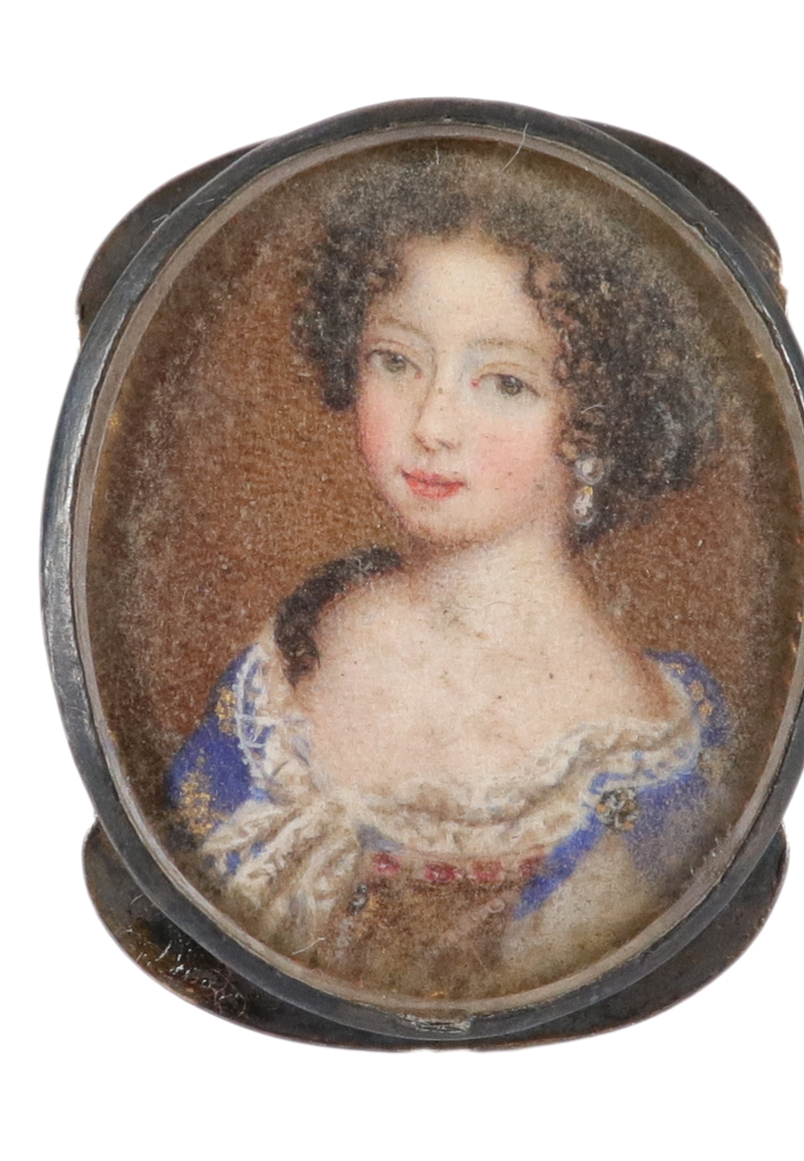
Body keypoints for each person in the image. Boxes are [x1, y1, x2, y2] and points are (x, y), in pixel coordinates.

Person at [167, 146, 728, 1003]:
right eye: (396, 360)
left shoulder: (647, 753)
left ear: (599, 418)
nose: (432, 422)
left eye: (503, 382)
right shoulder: (291, 659)